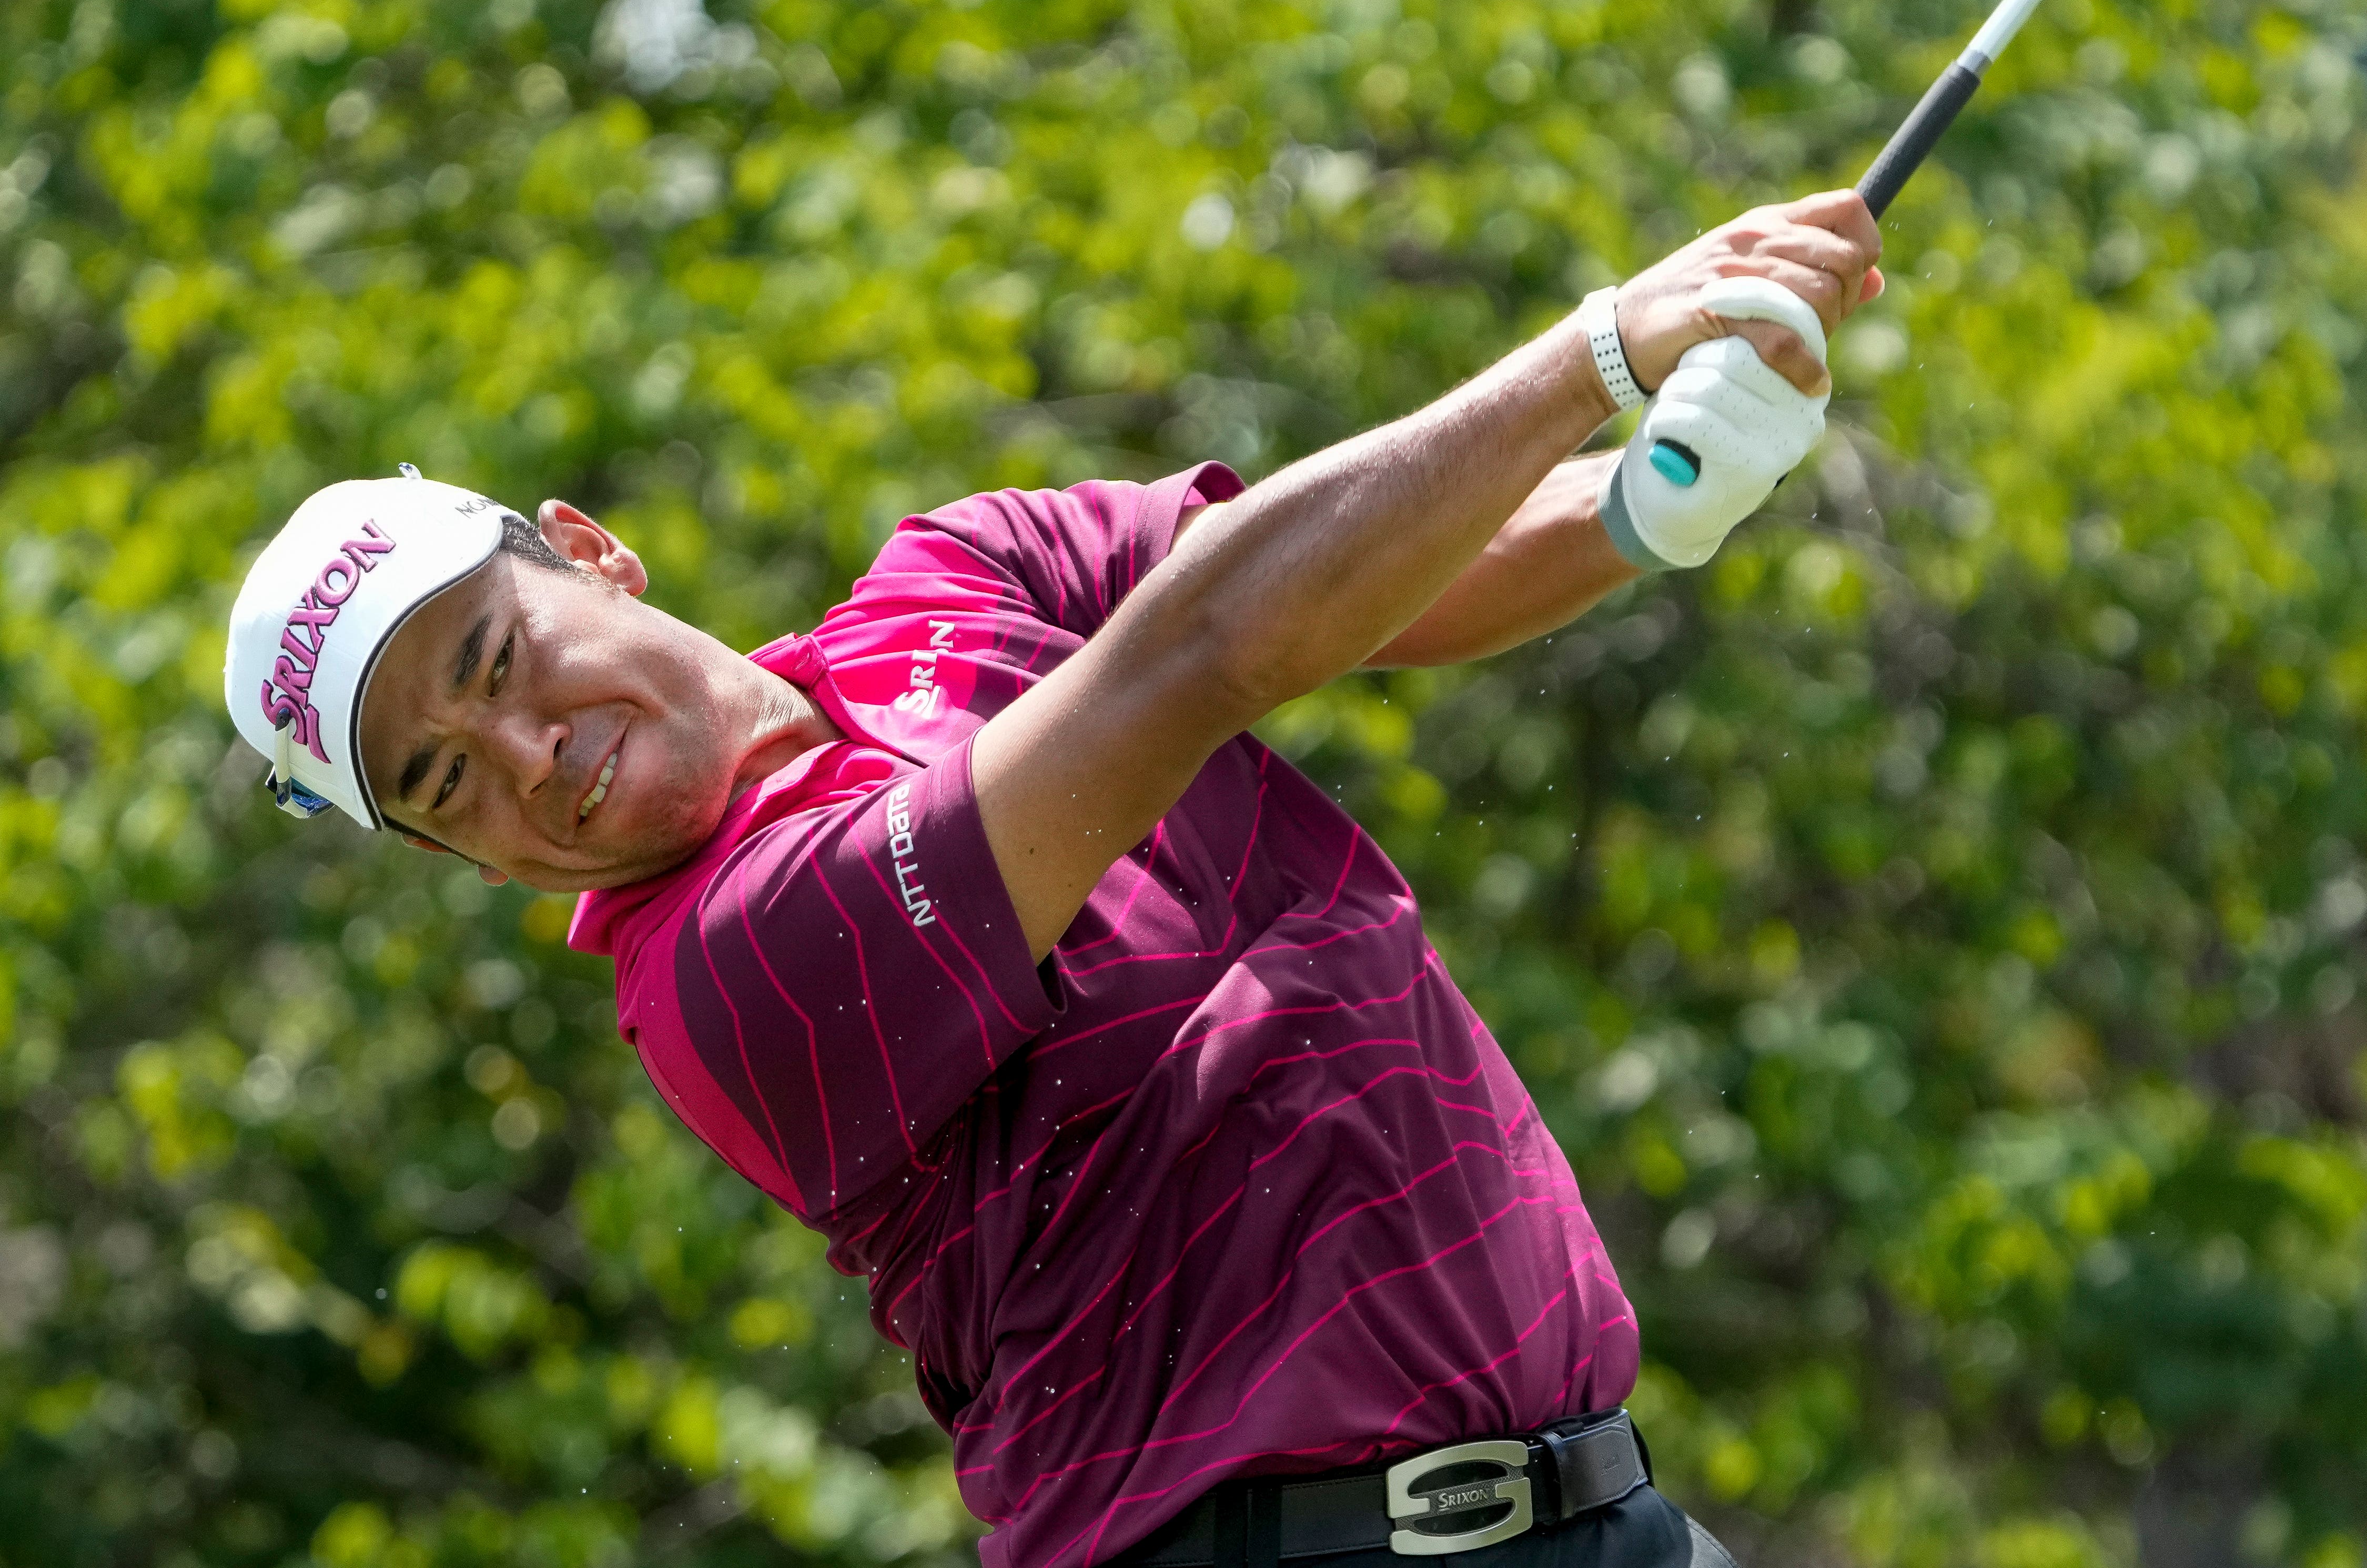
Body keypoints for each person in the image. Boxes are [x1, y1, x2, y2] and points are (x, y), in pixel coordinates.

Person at [223, 190, 1883, 1567]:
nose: (523, 753)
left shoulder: (956, 574)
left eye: (497, 656)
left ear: (588, 551)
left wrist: (1654, 497)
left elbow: (1369, 580)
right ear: (459, 856)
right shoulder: (728, 974)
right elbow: (1209, 650)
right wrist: (1593, 352)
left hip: (1605, 1516)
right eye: (443, 778)